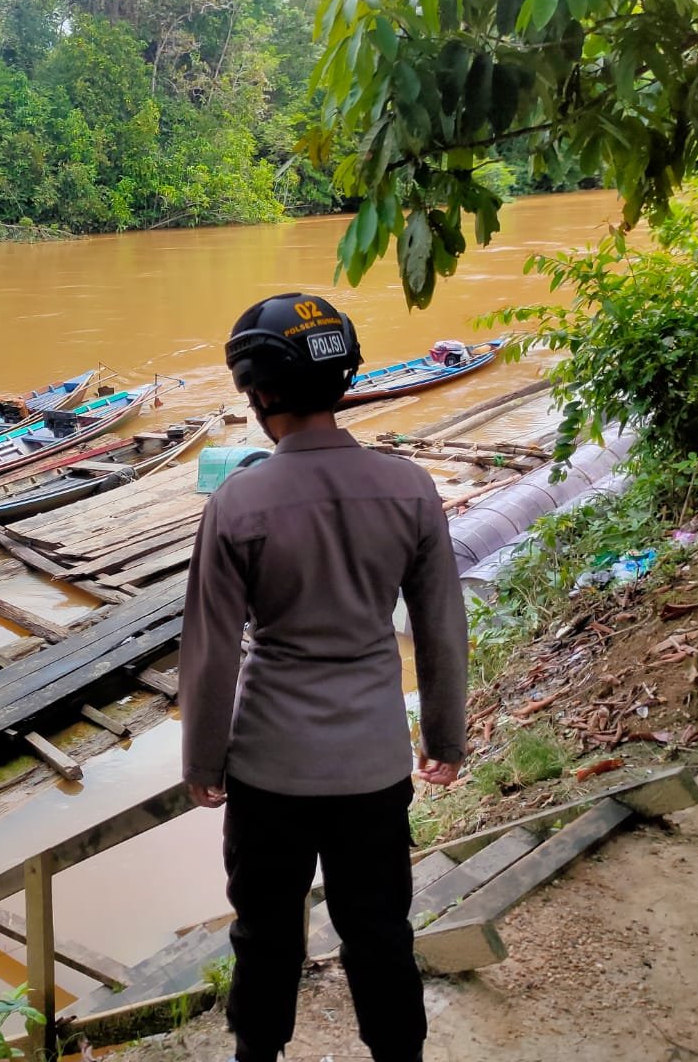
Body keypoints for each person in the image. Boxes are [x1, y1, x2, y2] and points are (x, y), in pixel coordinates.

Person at [179, 292, 468, 1062]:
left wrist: (202, 762)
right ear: (343, 382)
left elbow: (208, 647)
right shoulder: (408, 488)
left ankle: (257, 1056)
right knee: (379, 931)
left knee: (265, 934)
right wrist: (444, 736)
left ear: (259, 393)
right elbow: (440, 625)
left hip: (270, 769)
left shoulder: (238, 501)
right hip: (373, 765)